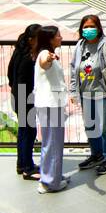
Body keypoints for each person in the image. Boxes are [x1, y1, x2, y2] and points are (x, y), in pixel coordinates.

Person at [71, 15, 106, 175]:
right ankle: (96, 154)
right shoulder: (80, 45)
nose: (88, 30)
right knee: (90, 127)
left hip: (103, 93)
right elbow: (73, 68)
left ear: (98, 27)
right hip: (85, 93)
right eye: (85, 27)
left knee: (104, 127)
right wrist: (74, 90)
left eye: (92, 26)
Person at [33, 26, 70, 194]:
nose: (61, 38)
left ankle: (52, 176)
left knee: (53, 142)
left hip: (51, 104)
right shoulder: (44, 54)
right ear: (50, 39)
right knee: (52, 143)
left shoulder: (47, 53)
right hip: (50, 106)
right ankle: (50, 182)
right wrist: (49, 58)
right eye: (58, 36)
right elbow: (44, 62)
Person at [6, 24, 41, 179]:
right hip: (23, 98)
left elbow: (9, 72)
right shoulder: (29, 58)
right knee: (29, 132)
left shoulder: (20, 51)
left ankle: (22, 164)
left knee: (23, 131)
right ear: (31, 39)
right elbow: (21, 80)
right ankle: (27, 167)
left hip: (17, 96)